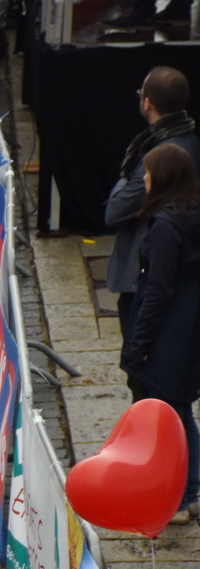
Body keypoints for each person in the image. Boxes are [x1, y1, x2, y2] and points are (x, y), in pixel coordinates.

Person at [122, 144, 200, 521]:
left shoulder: (168, 226)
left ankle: (183, 497)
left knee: (173, 414)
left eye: (149, 172)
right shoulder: (188, 217)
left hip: (170, 334)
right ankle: (189, 491)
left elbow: (158, 289)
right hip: (185, 329)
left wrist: (140, 344)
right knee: (179, 411)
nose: (145, 179)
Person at [106, 68, 200, 341]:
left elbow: (115, 211)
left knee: (141, 362)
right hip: (174, 271)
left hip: (146, 276)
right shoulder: (191, 140)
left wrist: (125, 177)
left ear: (148, 102)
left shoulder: (159, 153)